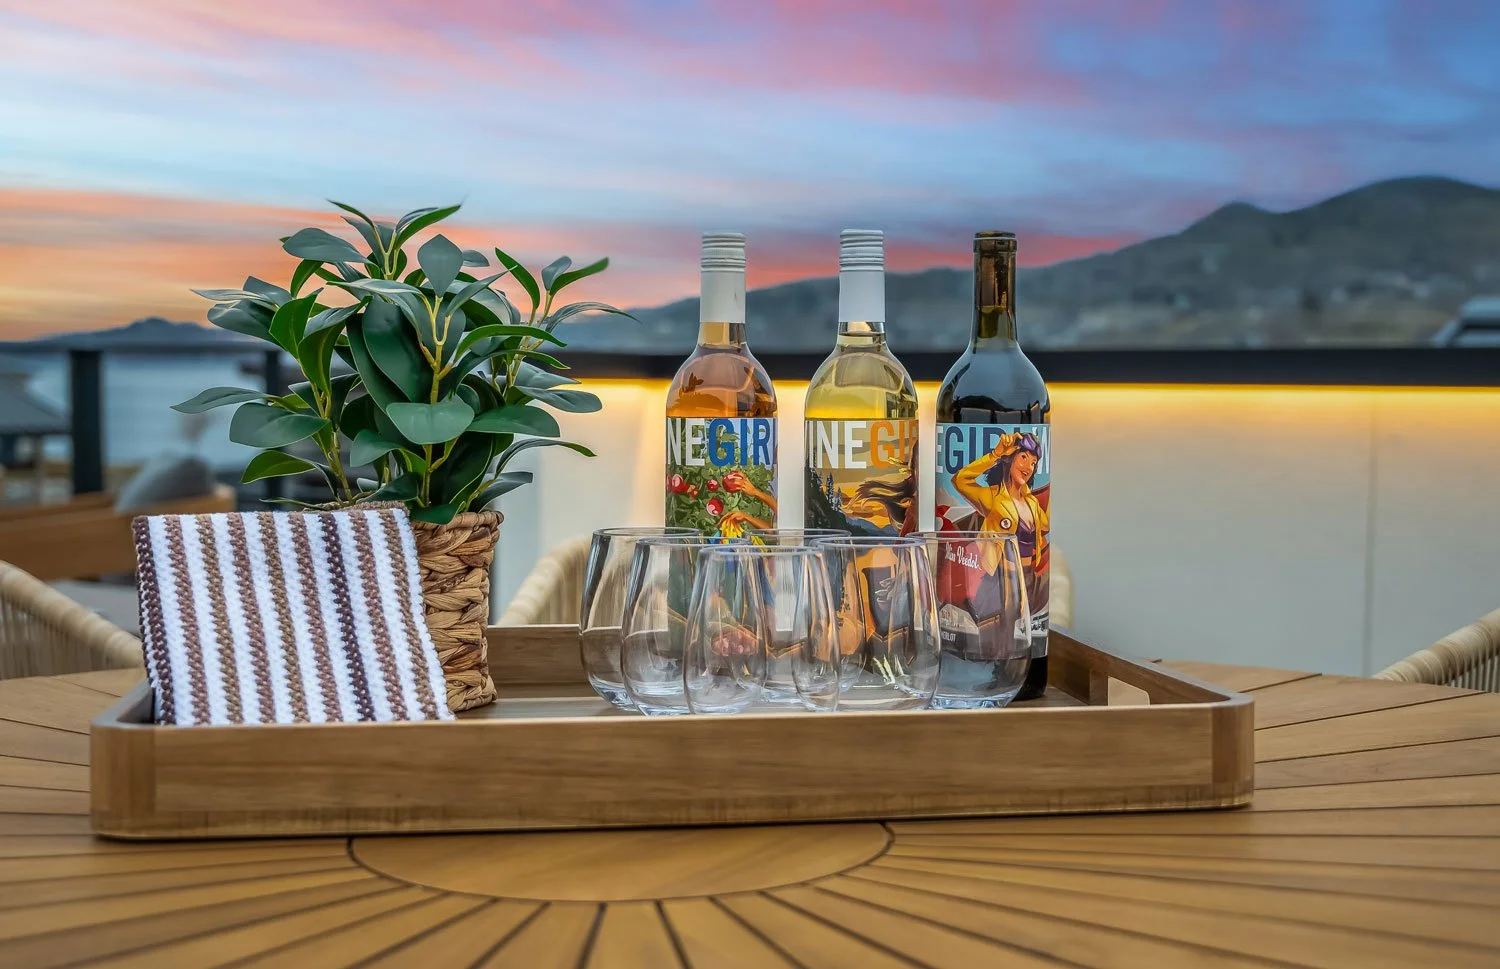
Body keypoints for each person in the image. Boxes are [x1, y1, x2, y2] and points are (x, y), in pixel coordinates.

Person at [951, 431, 1049, 612]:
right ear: (1009, 459)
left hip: (1028, 578)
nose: (1029, 467)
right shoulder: (993, 497)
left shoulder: (1032, 502)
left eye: (1033, 463)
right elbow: (959, 480)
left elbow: (1046, 525)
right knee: (995, 631)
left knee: (1022, 632)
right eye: (1024, 458)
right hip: (999, 579)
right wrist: (994, 455)